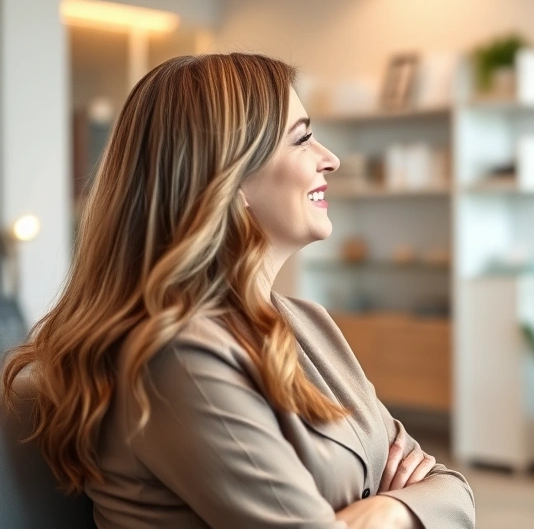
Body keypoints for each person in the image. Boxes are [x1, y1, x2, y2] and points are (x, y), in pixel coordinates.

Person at [1, 53, 475, 528]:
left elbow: (452, 488)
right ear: (230, 176)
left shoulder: (310, 323)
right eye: (303, 139)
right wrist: (406, 507)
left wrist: (390, 509)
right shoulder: (174, 355)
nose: (329, 159)